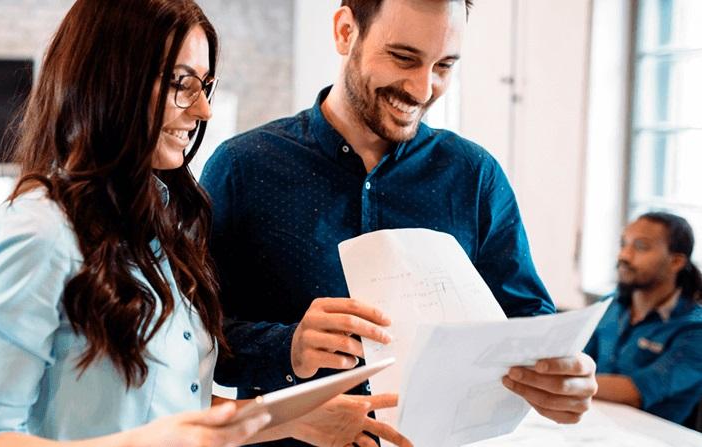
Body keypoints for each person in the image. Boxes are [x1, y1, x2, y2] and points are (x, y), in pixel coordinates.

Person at [0, 1, 410, 447]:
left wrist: (293, 420)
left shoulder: (166, 223)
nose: (203, 110)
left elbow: (176, 413)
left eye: (204, 85)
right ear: (112, 80)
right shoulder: (38, 233)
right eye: (181, 84)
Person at [200, 1, 597, 444]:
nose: (423, 88)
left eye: (444, 65)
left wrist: (562, 375)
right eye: (404, 58)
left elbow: (528, 326)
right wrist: (286, 348)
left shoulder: (474, 176)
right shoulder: (242, 168)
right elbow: (191, 342)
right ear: (346, 31)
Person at [584, 212, 702, 424]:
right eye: (623, 244)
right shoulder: (609, 304)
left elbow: (637, 391)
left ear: (676, 261)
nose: (624, 256)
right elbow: (579, 360)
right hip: (593, 425)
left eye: (641, 247)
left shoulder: (695, 329)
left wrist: (564, 382)